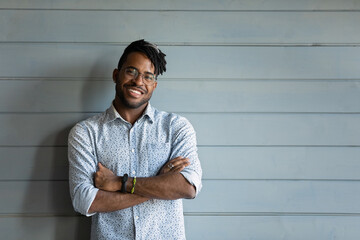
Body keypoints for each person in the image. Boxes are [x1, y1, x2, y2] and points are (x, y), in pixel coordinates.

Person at [68, 39, 202, 240]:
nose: (139, 81)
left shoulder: (176, 127)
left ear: (154, 85)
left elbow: (188, 187)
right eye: (131, 71)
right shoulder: (86, 133)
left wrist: (121, 183)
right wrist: (160, 183)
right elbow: (85, 201)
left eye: (148, 76)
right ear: (116, 75)